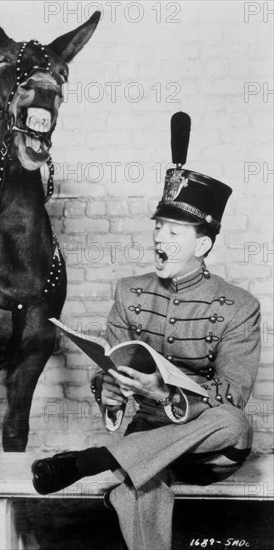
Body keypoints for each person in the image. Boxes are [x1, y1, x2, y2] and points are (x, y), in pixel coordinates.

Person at [31, 113, 261, 550]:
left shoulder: (240, 306)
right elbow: (109, 364)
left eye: (174, 230)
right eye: (158, 226)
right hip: (146, 440)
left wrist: (163, 394)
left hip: (206, 448)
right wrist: (110, 391)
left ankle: (93, 461)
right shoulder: (129, 291)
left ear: (203, 245)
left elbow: (232, 396)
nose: (160, 236)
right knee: (141, 487)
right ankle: (112, 461)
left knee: (234, 422)